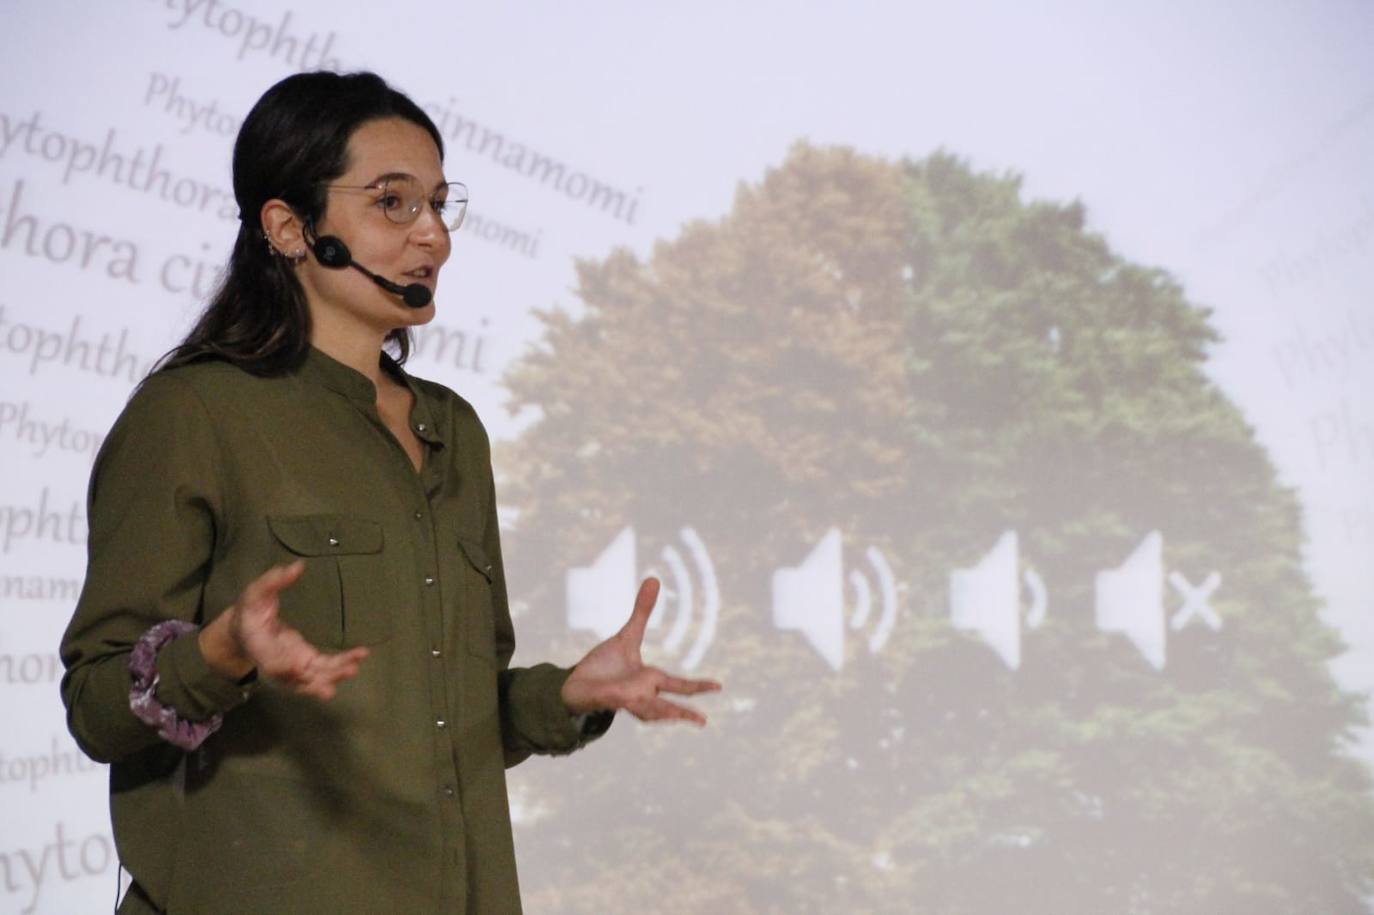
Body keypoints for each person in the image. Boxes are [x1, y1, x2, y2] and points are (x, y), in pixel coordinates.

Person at [59, 70, 719, 915]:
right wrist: (216, 654)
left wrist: (564, 696)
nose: (434, 237)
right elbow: (97, 707)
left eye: (440, 204)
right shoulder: (193, 414)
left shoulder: (456, 430)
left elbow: (449, 720)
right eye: (393, 204)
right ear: (289, 227)